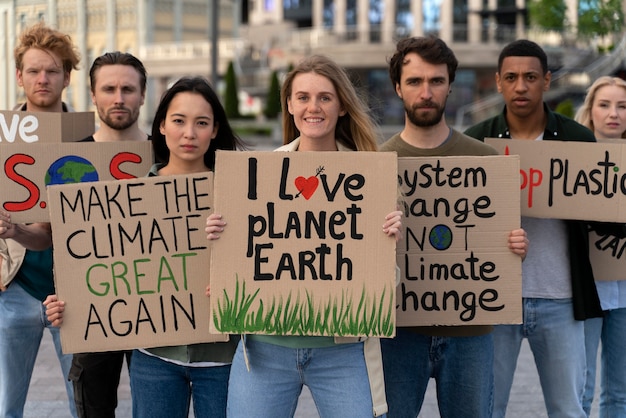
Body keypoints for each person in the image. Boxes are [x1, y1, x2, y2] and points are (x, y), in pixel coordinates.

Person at [224, 54, 402, 418]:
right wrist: (221, 239)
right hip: (264, 350)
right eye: (303, 97)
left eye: (324, 97)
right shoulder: (256, 176)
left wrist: (388, 247)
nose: (313, 107)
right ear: (289, 105)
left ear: (341, 107)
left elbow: (389, 289)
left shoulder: (372, 177)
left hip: (343, 351)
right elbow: (240, 264)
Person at [378, 36, 528, 418]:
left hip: (471, 334)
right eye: (414, 82)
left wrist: (514, 246)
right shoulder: (375, 166)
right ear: (398, 87)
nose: (425, 92)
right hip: (397, 333)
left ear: (450, 85)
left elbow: (497, 244)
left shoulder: (485, 161)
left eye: (436, 81)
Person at [464, 39, 603, 418]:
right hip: (494, 302)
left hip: (560, 298)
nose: (520, 86)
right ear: (497, 82)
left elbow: (601, 213)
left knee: (568, 410)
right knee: (487, 409)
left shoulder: (578, 139)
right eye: (511, 77)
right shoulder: (476, 143)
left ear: (547, 80)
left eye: (529, 77)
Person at [43, 51, 149, 418]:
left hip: (156, 307)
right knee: (93, 409)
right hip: (91, 309)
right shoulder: (67, 160)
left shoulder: (165, 158)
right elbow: (45, 235)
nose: (118, 98)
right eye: (109, 89)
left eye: (127, 89)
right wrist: (14, 231)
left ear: (142, 94)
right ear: (92, 94)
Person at [132, 76, 243, 418]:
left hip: (223, 357)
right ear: (162, 126)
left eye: (201, 123)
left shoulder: (240, 193)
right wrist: (72, 303)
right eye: (179, 121)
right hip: (154, 356)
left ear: (214, 130)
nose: (189, 133)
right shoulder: (130, 198)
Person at [0, 23, 80, 418]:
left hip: (77, 289)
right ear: (19, 76)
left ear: (67, 77)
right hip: (14, 287)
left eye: (52, 70)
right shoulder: (0, 139)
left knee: (84, 404)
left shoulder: (91, 140)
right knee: (5, 405)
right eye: (33, 70)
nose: (42, 79)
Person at [575, 76, 626, 417]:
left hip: (625, 292)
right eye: (604, 105)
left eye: (622, 106)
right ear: (590, 111)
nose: (614, 114)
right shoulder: (570, 162)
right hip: (585, 289)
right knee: (580, 389)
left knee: (620, 393)